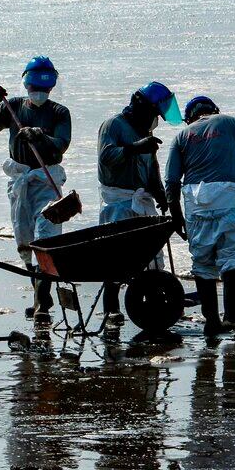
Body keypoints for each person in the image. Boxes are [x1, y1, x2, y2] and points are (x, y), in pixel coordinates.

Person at [164, 95, 235, 342]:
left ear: (189, 118)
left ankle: (211, 321)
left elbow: (171, 181)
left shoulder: (181, 136)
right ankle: (233, 316)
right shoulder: (231, 122)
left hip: (194, 202)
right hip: (226, 197)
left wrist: (176, 216)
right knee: (234, 255)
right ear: (214, 110)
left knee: (202, 261)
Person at [0, 56, 71, 322]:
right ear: (26, 85)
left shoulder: (59, 112)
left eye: (45, 87)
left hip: (46, 181)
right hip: (20, 183)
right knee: (25, 239)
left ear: (52, 87)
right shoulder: (14, 106)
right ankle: (40, 294)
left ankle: (42, 304)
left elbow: (61, 145)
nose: (39, 91)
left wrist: (41, 135)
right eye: (35, 86)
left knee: (46, 238)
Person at [97, 81, 181, 321]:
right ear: (142, 107)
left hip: (141, 201)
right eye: (155, 114)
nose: (156, 120)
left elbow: (152, 171)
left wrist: (161, 195)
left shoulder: (146, 134)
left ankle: (153, 302)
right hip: (118, 202)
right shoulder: (114, 125)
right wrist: (134, 148)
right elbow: (106, 157)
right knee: (116, 259)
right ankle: (111, 309)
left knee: (151, 258)